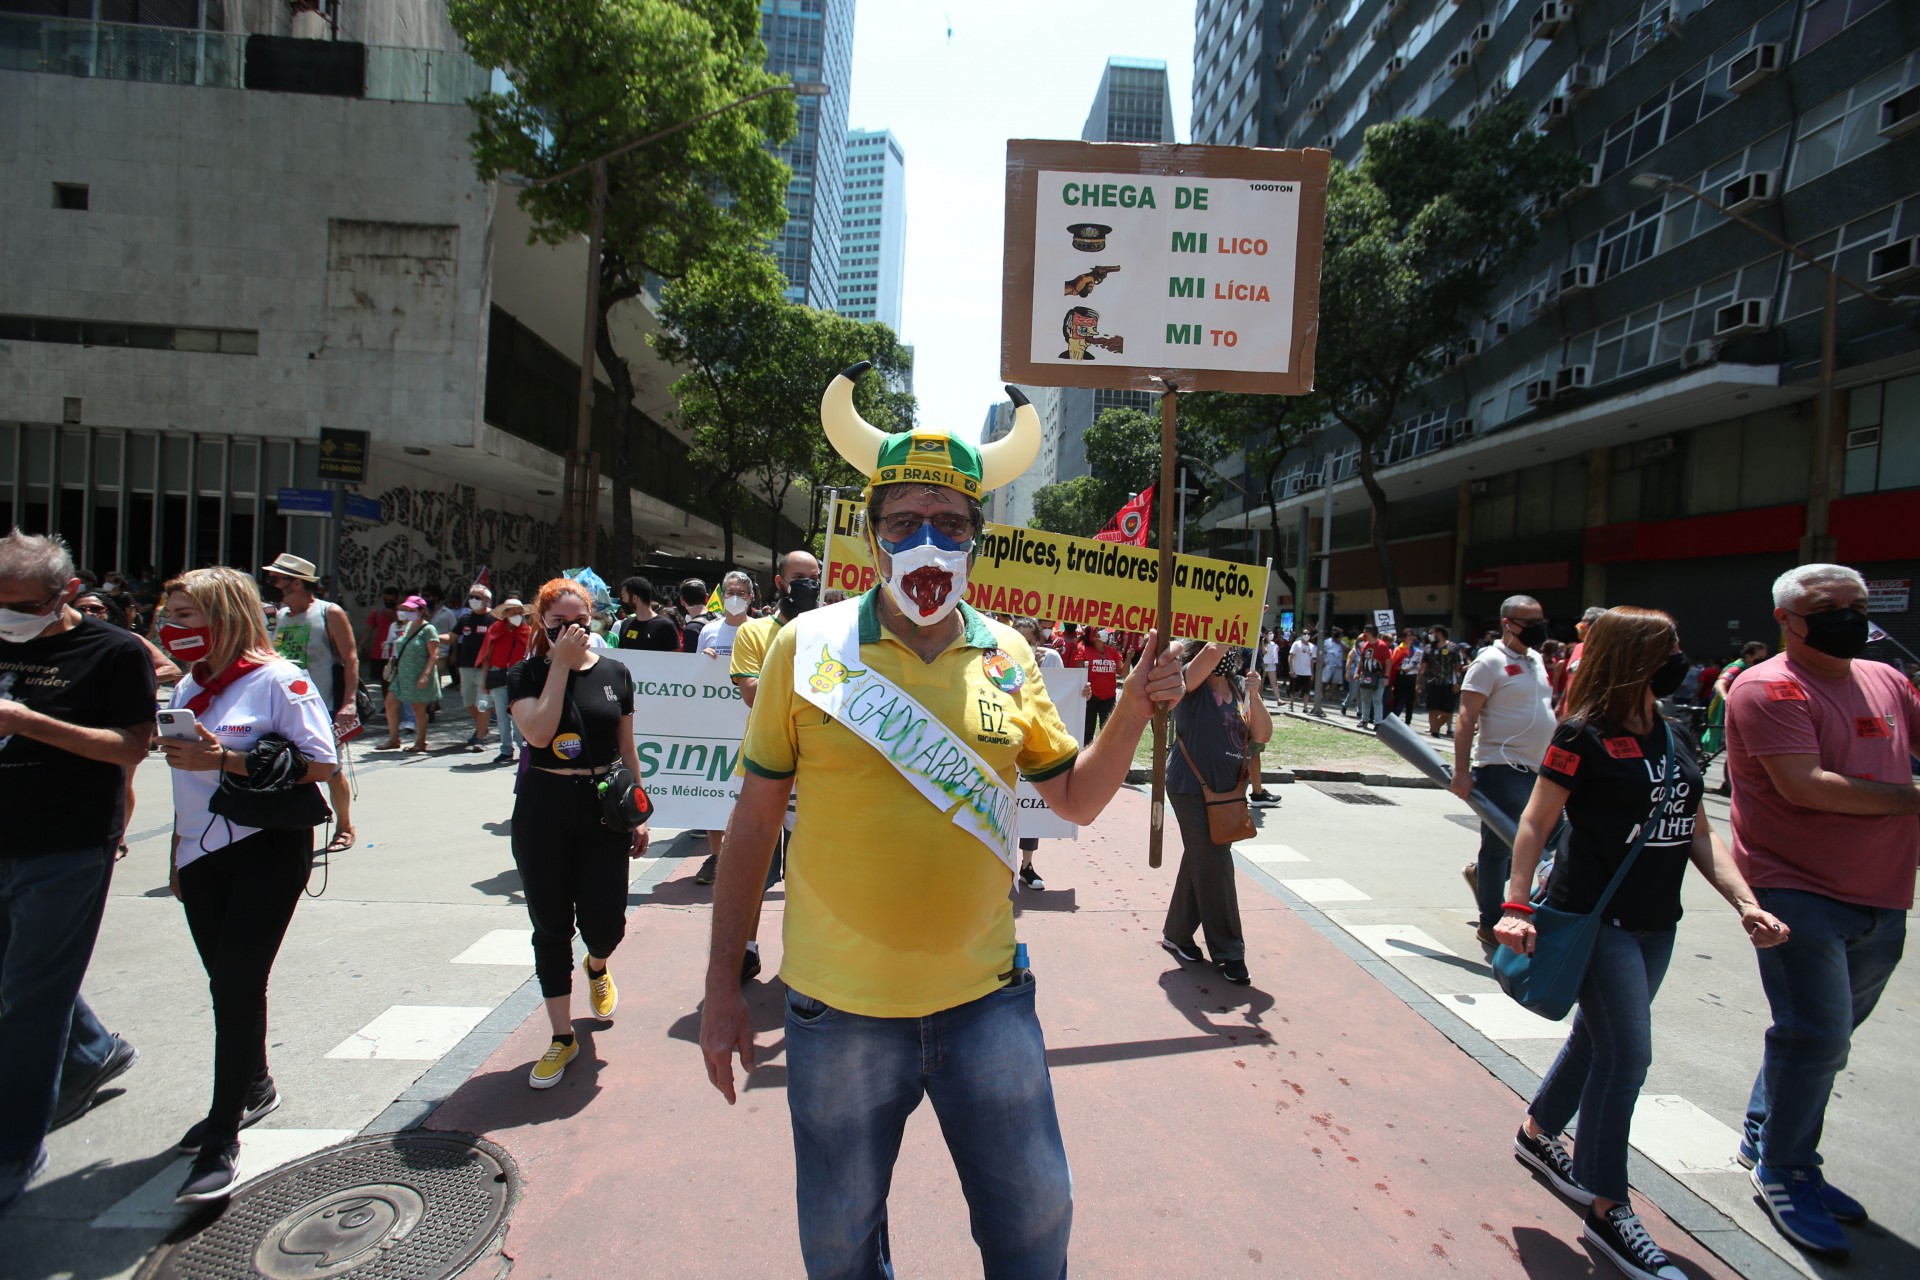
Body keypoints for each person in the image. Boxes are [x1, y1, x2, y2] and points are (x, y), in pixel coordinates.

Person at [700, 369, 1186, 1277]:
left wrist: (1132, 715)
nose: (929, 542)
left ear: (979, 539)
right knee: (841, 1243)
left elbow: (1075, 798)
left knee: (1039, 1219)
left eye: (952, 525)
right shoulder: (807, 650)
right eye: (905, 523)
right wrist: (723, 988)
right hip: (838, 1013)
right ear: (873, 535)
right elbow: (754, 826)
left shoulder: (1009, 654)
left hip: (986, 1005)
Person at [1495, 606, 1789, 1280]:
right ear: (1634, 657)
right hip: (1595, 920)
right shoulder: (1581, 735)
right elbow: (1535, 823)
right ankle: (1607, 1208)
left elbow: (1698, 831)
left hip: (1660, 920)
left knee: (1596, 1042)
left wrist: (1746, 903)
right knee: (1627, 1058)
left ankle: (1539, 1134)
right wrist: (1514, 903)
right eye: (1669, 647)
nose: (1681, 657)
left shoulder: (1677, 734)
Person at [1722, 565, 1916, 1258]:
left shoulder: (1887, 680)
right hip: (1794, 887)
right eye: (1827, 608)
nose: (1848, 617)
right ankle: (1787, 1167)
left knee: (1820, 1034)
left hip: (1883, 890)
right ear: (1786, 619)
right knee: (1819, 1035)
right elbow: (1807, 788)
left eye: (1857, 605)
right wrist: (1911, 799)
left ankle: (1766, 1129)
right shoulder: (1767, 687)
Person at [157, 566, 337, 1203]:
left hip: (265, 847)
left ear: (223, 614)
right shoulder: (188, 685)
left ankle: (221, 1137)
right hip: (200, 854)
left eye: (183, 615)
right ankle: (254, 1083)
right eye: (170, 615)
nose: (170, 627)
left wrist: (225, 758)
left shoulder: (279, 681)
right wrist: (176, 859)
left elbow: (322, 762)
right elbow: (184, 783)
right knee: (224, 981)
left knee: (237, 982)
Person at [0, 531, 157, 1211]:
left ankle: (11, 1151)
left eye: (22, 605)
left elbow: (131, 745)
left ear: (67, 593)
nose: (8, 615)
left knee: (26, 1006)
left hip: (63, 847)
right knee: (25, 982)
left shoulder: (113, 652)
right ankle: (91, 1050)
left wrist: (27, 722)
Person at [505, 578, 651, 1089]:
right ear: (541, 624)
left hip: (603, 808)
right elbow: (539, 733)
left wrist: (640, 809)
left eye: (581, 622)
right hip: (545, 807)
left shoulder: (615, 672)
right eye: (559, 623)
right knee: (549, 924)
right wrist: (560, 667)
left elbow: (626, 746)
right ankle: (561, 1035)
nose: (572, 632)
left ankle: (598, 961)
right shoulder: (526, 673)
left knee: (607, 921)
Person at [722, 549, 824, 981]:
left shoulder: (831, 631)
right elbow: (750, 691)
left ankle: (808, 954)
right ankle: (745, 947)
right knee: (756, 868)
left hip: (818, 767)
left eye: (815, 577)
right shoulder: (754, 633)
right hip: (765, 765)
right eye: (799, 577)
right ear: (780, 583)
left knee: (812, 868)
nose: (808, 584)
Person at [1161, 641, 1272, 985]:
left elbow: (1263, 734)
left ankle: (1177, 933)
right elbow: (1210, 651)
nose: (1230, 655)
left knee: (1202, 857)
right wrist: (1239, 614)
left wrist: (1255, 694)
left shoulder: (1239, 686)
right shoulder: (1188, 683)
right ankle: (1229, 952)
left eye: (1235, 650)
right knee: (1215, 861)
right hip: (1190, 787)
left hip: (1226, 792)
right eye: (1228, 647)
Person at [1453, 595, 1560, 949]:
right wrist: (1462, 771)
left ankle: (1483, 879)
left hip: (1538, 769)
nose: (1538, 629)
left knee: (1536, 841)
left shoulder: (1536, 660)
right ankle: (1489, 922)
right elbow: (1466, 718)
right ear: (1507, 623)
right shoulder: (1489, 662)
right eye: (1530, 623)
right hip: (1500, 766)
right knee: (1500, 846)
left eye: (1540, 620)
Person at [263, 553, 361, 853]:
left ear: (297, 582)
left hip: (323, 706)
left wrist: (349, 703)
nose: (273, 583)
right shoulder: (278, 616)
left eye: (278, 578)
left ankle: (344, 826)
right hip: (283, 707)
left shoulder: (328, 612)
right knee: (285, 770)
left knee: (330, 769)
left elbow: (350, 659)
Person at [691, 571, 757, 885]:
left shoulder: (760, 632)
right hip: (713, 723)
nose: (735, 597)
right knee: (711, 793)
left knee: (746, 797)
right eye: (730, 591)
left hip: (749, 725)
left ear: (751, 597)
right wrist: (705, 662)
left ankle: (742, 860)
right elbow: (692, 677)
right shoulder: (709, 631)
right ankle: (716, 857)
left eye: (741, 592)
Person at [1013, 617, 1067, 890]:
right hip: (1007, 746)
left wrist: (1082, 693)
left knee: (1030, 803)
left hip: (1034, 748)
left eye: (1031, 642)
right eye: (1019, 640)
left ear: (1039, 643)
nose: (1025, 646)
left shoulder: (1052, 660)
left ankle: (1026, 865)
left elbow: (1063, 695)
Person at [475, 598, 532, 764]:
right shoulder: (495, 630)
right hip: (498, 676)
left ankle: (524, 750)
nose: (517, 615)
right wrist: (485, 684)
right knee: (502, 715)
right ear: (505, 614)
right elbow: (487, 657)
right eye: (513, 612)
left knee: (518, 716)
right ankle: (506, 749)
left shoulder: (527, 632)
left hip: (519, 678)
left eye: (519, 612)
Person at [380, 595, 440, 753]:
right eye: (405, 609)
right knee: (390, 703)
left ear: (422, 611)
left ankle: (420, 742)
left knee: (418, 708)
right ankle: (394, 739)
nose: (407, 612)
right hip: (402, 673)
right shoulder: (406, 627)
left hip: (419, 673)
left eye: (411, 610)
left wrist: (425, 675)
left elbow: (434, 654)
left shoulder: (428, 629)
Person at [442, 585, 497, 752]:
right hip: (465, 666)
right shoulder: (465, 618)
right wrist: (433, 636)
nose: (473, 600)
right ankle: (482, 726)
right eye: (471, 596)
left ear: (487, 600)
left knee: (483, 703)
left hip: (486, 668)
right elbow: (452, 637)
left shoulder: (494, 618)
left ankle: (479, 738)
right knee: (469, 701)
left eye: (478, 597)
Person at [1077, 626, 1124, 740]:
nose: (1104, 631)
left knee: (1107, 731)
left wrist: (1129, 658)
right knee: (1087, 732)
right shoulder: (1084, 650)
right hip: (1090, 697)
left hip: (1109, 698)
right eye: (1099, 630)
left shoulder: (1112, 651)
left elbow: (1122, 672)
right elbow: (1078, 672)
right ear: (1093, 636)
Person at [615, 576, 681, 651]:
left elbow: (675, 658)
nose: (622, 601)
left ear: (634, 599)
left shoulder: (665, 625)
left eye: (623, 596)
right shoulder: (626, 624)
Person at [1421, 624, 1462, 737]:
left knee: (1448, 711)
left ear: (1439, 633)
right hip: (1432, 682)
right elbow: (1423, 666)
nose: (1430, 635)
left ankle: (1436, 726)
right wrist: (1418, 683)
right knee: (1433, 709)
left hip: (1448, 683)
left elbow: (1458, 667)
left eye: (1432, 633)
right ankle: (1434, 732)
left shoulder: (1453, 648)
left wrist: (1458, 682)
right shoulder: (1428, 648)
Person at [361, 587, 398, 682]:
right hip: (378, 654)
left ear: (396, 599)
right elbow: (368, 631)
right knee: (375, 679)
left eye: (391, 600)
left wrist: (392, 617)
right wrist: (360, 645)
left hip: (394, 654)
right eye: (386, 600)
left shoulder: (401, 614)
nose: (388, 602)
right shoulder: (377, 613)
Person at [676, 579, 712, 653]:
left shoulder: (691, 628)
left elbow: (690, 661)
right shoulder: (722, 619)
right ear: (707, 598)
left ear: (682, 601)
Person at [1287, 628, 1315, 709]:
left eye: (1308, 634)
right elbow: (1291, 657)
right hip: (1296, 671)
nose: (1307, 635)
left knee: (1306, 691)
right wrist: (1291, 669)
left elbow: (1312, 660)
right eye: (1305, 633)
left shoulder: (1312, 646)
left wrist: (1312, 673)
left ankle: (1305, 707)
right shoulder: (1297, 644)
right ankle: (1291, 704)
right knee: (1293, 690)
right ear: (1301, 634)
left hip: (1307, 672)